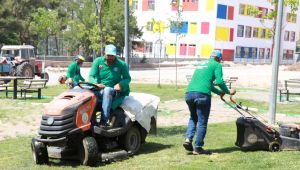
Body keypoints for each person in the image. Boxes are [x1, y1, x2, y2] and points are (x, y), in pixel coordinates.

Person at [183, 50, 236, 155]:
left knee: (193, 117)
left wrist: (219, 92)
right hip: (202, 95)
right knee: (202, 122)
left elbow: (208, 84)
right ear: (218, 59)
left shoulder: (202, 63)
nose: (220, 62)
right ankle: (198, 148)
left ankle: (188, 139)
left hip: (189, 94)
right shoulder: (216, 65)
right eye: (220, 60)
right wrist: (228, 91)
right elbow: (220, 81)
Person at [89, 44, 131, 126]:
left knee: (107, 90)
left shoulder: (122, 64)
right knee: (79, 87)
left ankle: (104, 120)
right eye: (108, 55)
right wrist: (96, 84)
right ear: (105, 54)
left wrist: (120, 84)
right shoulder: (97, 61)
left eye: (112, 55)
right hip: (98, 89)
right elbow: (91, 76)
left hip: (113, 91)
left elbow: (127, 78)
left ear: (115, 55)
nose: (110, 57)